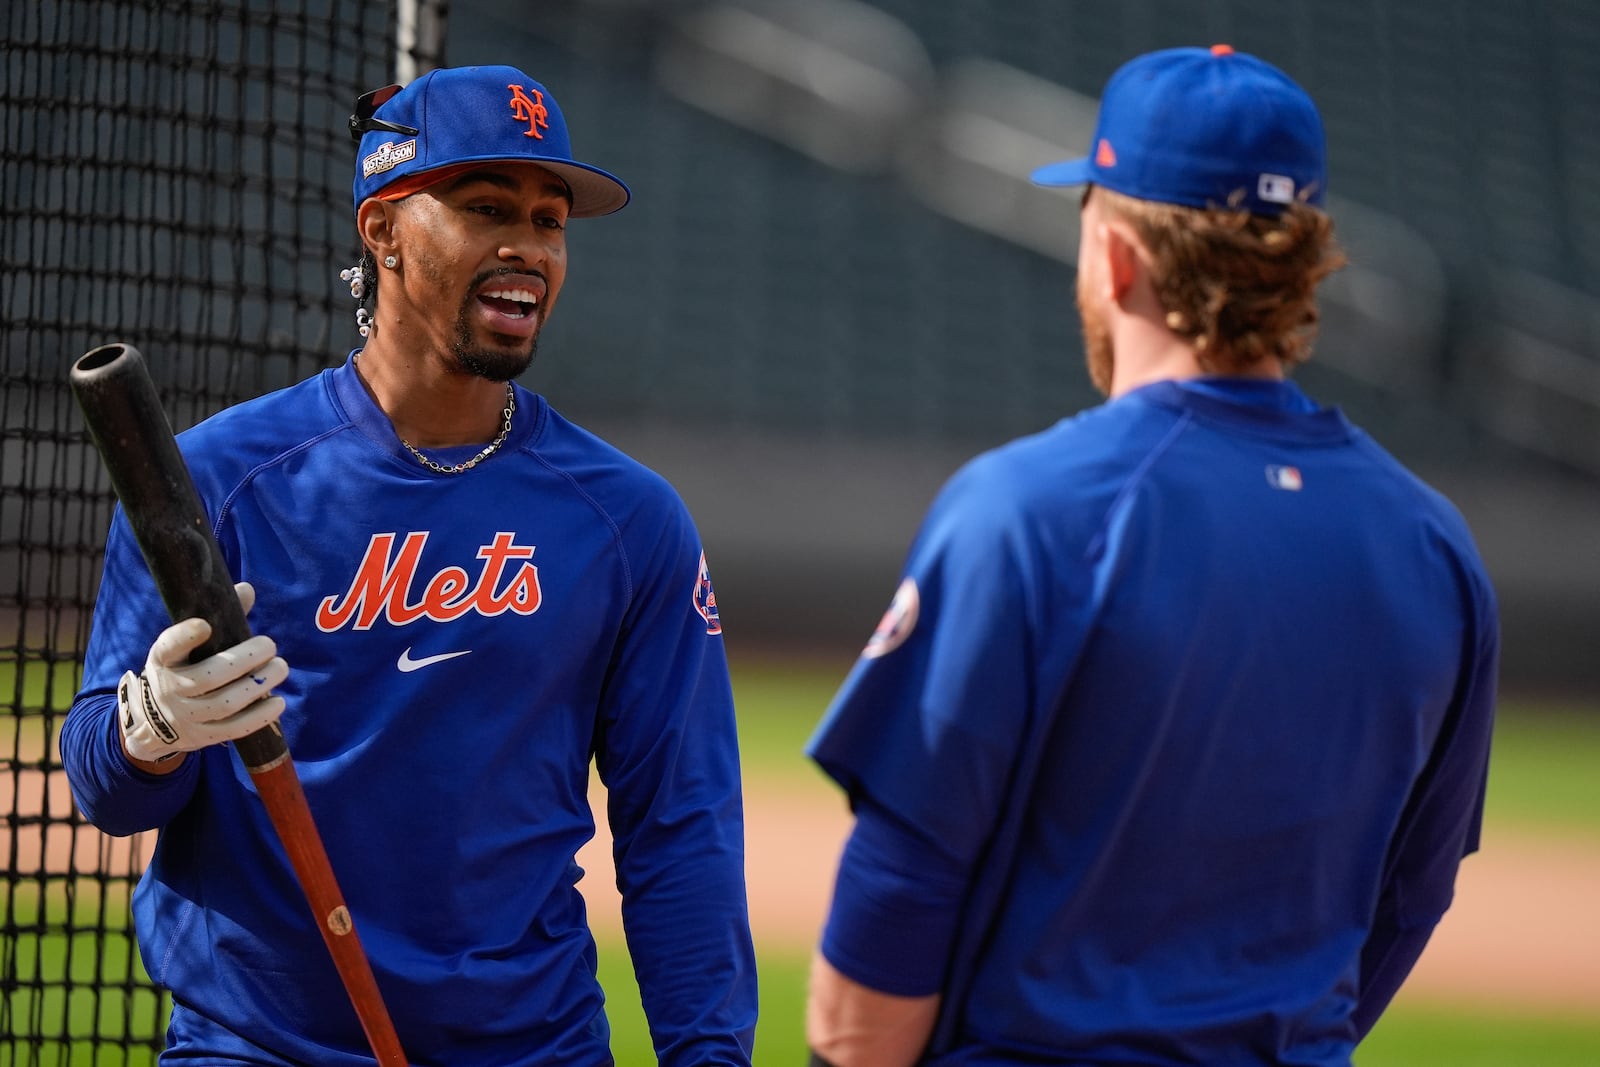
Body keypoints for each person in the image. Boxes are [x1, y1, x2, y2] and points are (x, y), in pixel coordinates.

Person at [803, 44, 1499, 1067]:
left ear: (1117, 255)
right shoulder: (1433, 545)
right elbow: (1409, 891)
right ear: (1300, 261)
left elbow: (904, 878)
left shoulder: (1031, 508)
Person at [62, 64, 757, 1066]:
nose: (528, 244)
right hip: (259, 1048)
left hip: (531, 1048)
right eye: (484, 207)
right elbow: (108, 790)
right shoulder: (214, 483)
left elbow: (679, 829)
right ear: (381, 230)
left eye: (549, 219)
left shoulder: (629, 520)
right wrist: (153, 727)